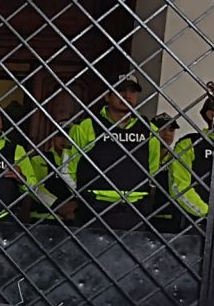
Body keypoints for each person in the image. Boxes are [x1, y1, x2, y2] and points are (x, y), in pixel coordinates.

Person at [67, 74, 160, 230]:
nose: (127, 95)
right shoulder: (87, 126)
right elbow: (68, 167)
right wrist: (81, 197)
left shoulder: (149, 129)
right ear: (107, 96)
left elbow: (153, 168)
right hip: (95, 207)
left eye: (132, 91)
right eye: (120, 90)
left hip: (135, 209)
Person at [171, 94, 214, 224]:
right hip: (196, 223)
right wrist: (209, 213)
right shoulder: (189, 143)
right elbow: (179, 187)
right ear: (212, 115)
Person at [28, 121, 76, 223]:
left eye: (68, 136)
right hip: (43, 217)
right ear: (53, 137)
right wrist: (58, 205)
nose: (64, 140)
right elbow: (33, 186)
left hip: (73, 218)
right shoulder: (39, 159)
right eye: (59, 135)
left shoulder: (79, 161)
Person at [151, 112, 181, 231]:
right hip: (141, 216)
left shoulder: (177, 159)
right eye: (162, 128)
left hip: (171, 219)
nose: (167, 133)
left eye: (171, 130)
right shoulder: (140, 156)